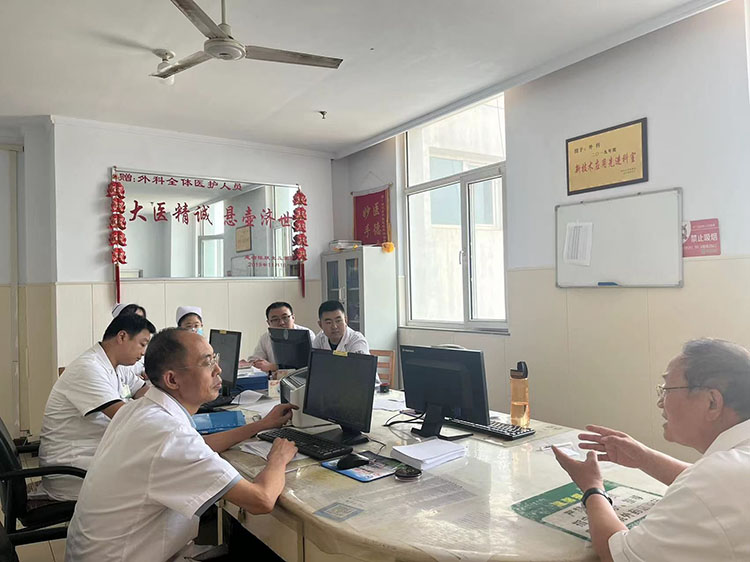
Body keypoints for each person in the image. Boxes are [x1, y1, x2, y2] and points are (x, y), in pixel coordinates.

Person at [65, 328, 298, 562]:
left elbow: (199, 445)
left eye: (214, 359)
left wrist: (261, 425)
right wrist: (278, 458)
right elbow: (261, 500)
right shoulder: (169, 435)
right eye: (207, 362)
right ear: (172, 379)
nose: (218, 369)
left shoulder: (139, 409)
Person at [553, 338, 750, 562]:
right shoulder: (730, 470)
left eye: (667, 390)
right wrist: (644, 458)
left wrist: (592, 487)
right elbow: (712, 488)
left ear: (712, 402)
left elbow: (617, 553)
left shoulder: (714, 481)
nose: (660, 402)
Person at [36, 314, 156, 500]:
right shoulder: (88, 368)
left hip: (94, 455)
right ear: (122, 336)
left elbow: (143, 391)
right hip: (73, 469)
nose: (143, 352)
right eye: (142, 344)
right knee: (156, 474)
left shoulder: (116, 366)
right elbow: (125, 417)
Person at [248, 301, 315, 373]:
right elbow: (255, 358)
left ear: (293, 318)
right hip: (275, 378)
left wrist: (274, 367)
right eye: (275, 319)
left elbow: (312, 364)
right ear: (268, 323)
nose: (281, 323)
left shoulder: (307, 334)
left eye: (285, 317)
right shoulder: (266, 337)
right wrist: (255, 363)